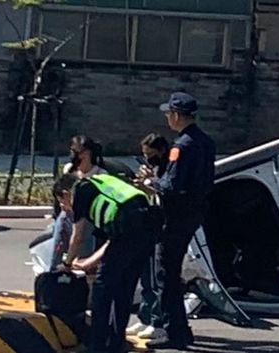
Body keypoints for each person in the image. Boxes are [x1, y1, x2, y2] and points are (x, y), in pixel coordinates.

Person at [139, 92, 216, 350]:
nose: (167, 119)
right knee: (171, 272)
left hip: (176, 215)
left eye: (168, 114)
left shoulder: (180, 146)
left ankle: (174, 331)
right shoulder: (206, 142)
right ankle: (180, 329)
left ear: (175, 115)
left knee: (166, 274)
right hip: (195, 212)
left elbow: (171, 185)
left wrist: (151, 183)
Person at [54, 173, 158, 353]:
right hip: (146, 229)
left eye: (61, 202)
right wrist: (88, 263)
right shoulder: (101, 184)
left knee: (102, 291)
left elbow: (77, 237)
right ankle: (117, 343)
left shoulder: (81, 192)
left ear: (66, 193)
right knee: (124, 289)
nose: (64, 208)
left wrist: (67, 264)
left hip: (127, 232)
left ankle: (98, 345)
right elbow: (112, 241)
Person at [125, 133, 169, 339]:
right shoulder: (154, 169)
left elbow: (162, 193)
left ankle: (156, 319)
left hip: (159, 227)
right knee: (145, 277)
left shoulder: (168, 169)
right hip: (146, 225)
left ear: (160, 151)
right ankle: (144, 317)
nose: (148, 158)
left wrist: (149, 184)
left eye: (150, 154)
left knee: (154, 278)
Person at [51, 136, 107, 269]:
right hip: (68, 215)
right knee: (59, 243)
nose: (73, 156)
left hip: (88, 218)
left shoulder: (100, 174)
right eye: (72, 151)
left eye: (77, 152)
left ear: (87, 154)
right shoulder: (69, 169)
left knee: (82, 247)